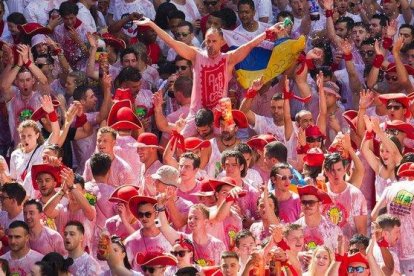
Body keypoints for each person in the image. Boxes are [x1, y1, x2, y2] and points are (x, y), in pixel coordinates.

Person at [133, 15, 285, 137]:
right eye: (207, 41)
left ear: (221, 42)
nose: (210, 44)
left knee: (228, 139)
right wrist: (152, 25)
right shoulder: (196, 55)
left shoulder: (228, 58)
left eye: (214, 41)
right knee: (183, 139)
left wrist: (268, 32)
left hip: (221, 109)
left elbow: (250, 45)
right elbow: (172, 42)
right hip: (197, 110)